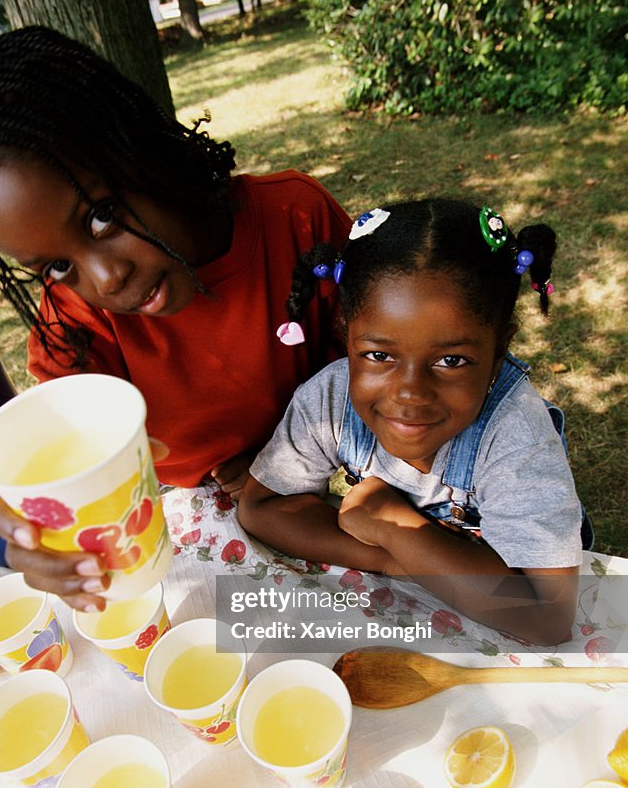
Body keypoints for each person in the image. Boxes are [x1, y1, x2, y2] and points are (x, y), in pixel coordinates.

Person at [0, 25, 350, 610]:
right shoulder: (75, 327)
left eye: (101, 217)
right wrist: (20, 508)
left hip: (317, 482)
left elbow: (373, 370)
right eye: (58, 265)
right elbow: (63, 443)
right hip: (180, 528)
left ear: (137, 145)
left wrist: (282, 460)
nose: (105, 279)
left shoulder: (297, 220)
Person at [238, 199, 586, 645]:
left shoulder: (516, 437)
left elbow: (547, 615)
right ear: (345, 332)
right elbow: (262, 506)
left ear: (500, 350)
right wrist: (392, 559)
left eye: (451, 360)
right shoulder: (328, 400)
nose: (410, 393)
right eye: (379, 355)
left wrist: (390, 524)